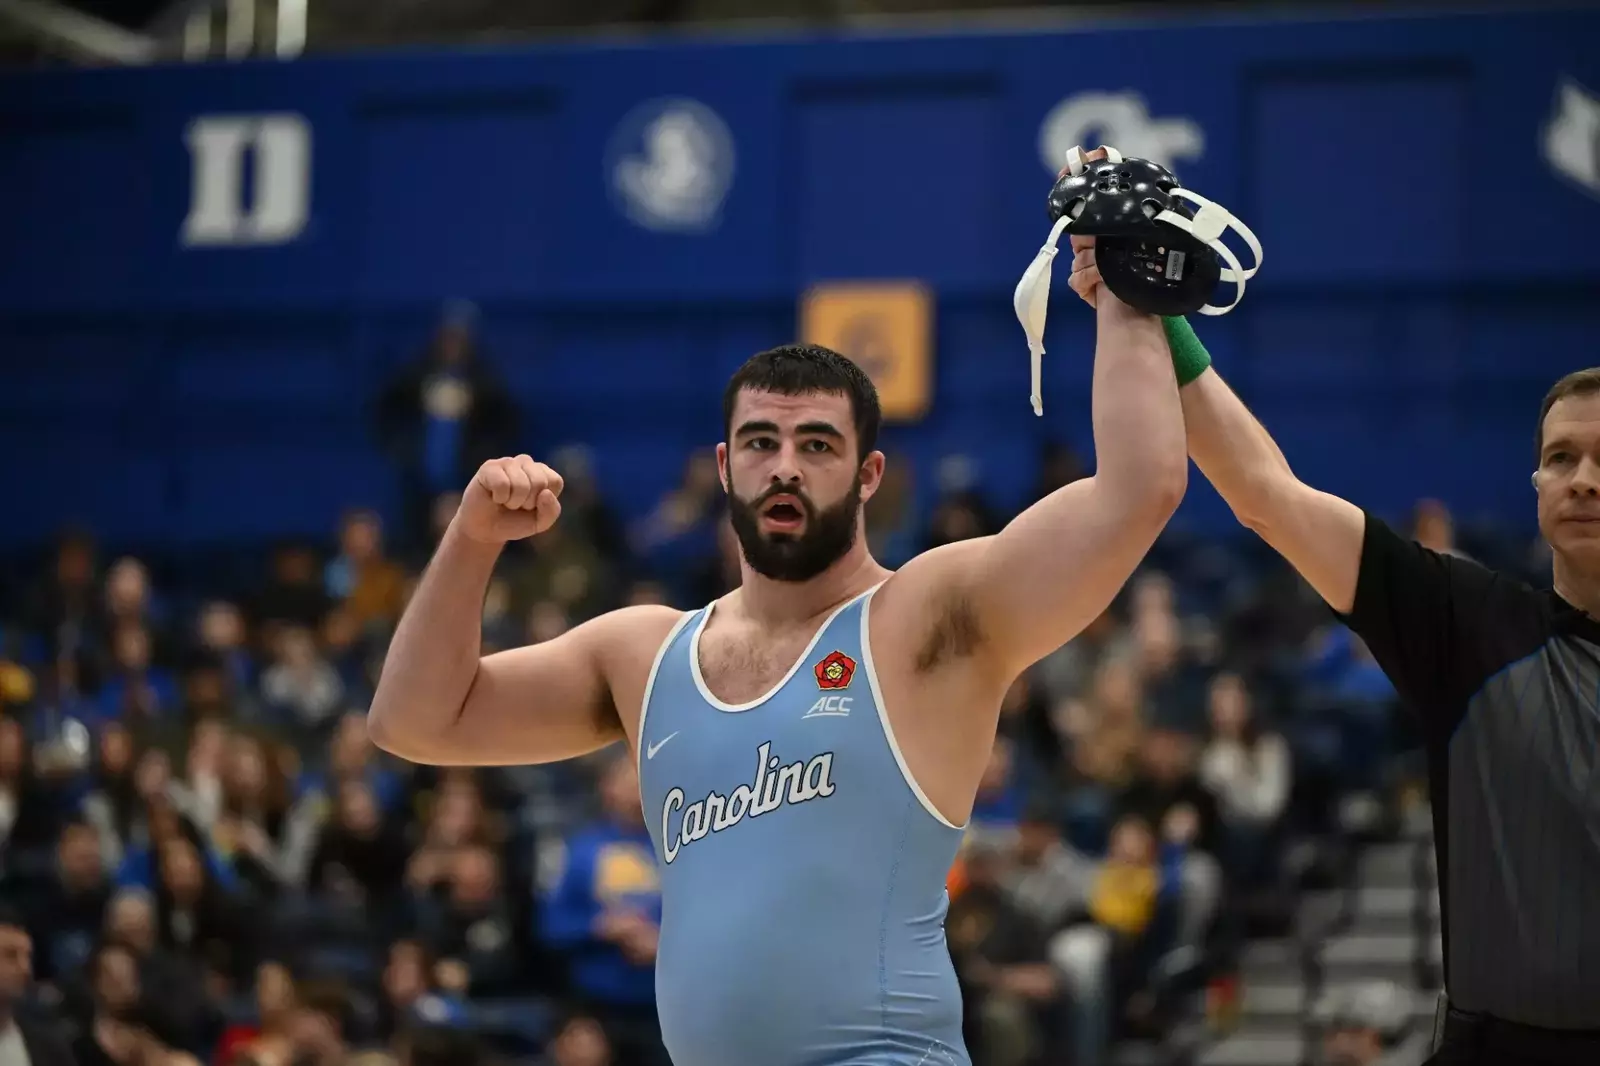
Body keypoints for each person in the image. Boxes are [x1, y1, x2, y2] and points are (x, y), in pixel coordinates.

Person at [368, 317, 1190, 1066]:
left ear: (869, 474)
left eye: (818, 445)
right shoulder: (645, 651)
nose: (786, 467)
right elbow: (414, 721)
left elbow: (1139, 490)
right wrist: (472, 540)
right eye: (761, 442)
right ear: (725, 466)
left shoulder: (924, 620)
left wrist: (1121, 298)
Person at [1065, 148, 1600, 1065]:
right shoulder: (1466, 623)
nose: (1582, 481)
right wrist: (1154, 313)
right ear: (1535, 485)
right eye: (1560, 458)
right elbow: (1265, 493)